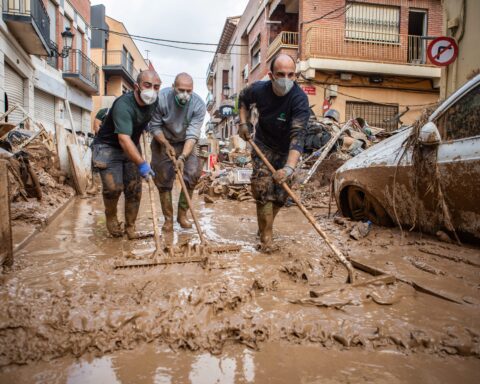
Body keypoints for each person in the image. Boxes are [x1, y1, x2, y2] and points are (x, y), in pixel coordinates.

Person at [238, 54, 310, 252]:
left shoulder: (299, 100)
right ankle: (266, 237)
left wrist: (288, 168)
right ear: (271, 75)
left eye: (290, 74)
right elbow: (242, 99)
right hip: (263, 145)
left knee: (280, 195)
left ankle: (266, 224)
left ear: (295, 75)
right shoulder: (259, 90)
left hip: (288, 150)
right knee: (263, 188)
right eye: (281, 74)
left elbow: (298, 137)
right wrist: (243, 123)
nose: (286, 79)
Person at [92, 70, 161, 239]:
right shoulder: (123, 104)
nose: (152, 90)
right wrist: (142, 163)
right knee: (113, 188)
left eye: (156, 87)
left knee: (134, 189)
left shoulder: (153, 102)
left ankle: (130, 228)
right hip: (108, 146)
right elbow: (123, 139)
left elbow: (146, 123)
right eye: (147, 85)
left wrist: (143, 125)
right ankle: (111, 217)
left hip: (132, 143)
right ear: (137, 86)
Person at [148, 72, 206, 233]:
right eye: (181, 90)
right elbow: (154, 126)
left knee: (193, 173)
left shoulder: (198, 105)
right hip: (162, 141)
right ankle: (168, 219)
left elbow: (193, 134)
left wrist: (182, 157)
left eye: (189, 91)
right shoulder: (161, 99)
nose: (185, 95)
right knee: (163, 179)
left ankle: (182, 215)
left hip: (185, 143)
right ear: (173, 87)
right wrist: (165, 144)